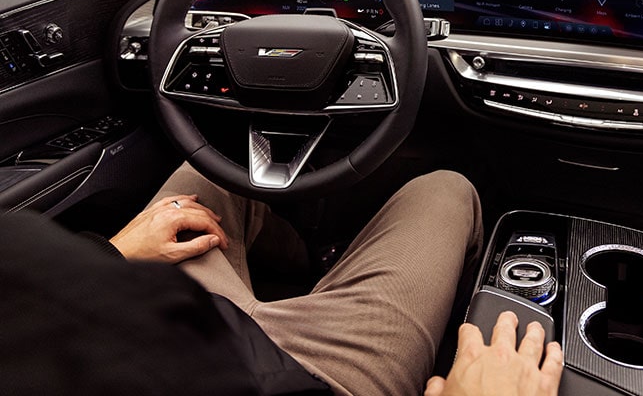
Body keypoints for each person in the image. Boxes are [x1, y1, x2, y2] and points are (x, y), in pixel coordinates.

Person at [1, 163, 563, 395]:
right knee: (445, 188)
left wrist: (112, 255)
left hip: (152, 324)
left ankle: (315, 270)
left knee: (204, 180)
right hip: (303, 380)